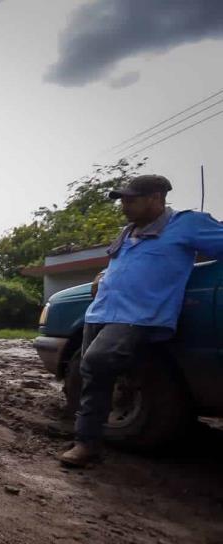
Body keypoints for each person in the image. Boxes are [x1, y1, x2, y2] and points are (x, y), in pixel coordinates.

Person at [59, 175, 223, 468]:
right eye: (122, 199)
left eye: (131, 199)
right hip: (101, 311)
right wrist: (102, 276)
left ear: (156, 198)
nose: (124, 205)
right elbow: (120, 265)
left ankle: (86, 442)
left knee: (95, 363)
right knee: (91, 376)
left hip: (140, 315)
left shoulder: (186, 224)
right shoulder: (127, 231)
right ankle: (87, 441)